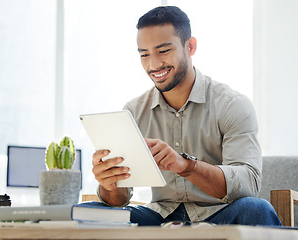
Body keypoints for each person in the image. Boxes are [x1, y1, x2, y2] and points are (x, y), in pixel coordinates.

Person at [92, 6, 281, 226]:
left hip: (219, 213)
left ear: (190, 46)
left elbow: (248, 183)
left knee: (257, 210)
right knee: (88, 214)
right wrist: (109, 184)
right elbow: (120, 200)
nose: (153, 65)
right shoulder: (133, 112)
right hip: (160, 215)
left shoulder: (232, 105)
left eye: (163, 51)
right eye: (144, 54)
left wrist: (186, 165)